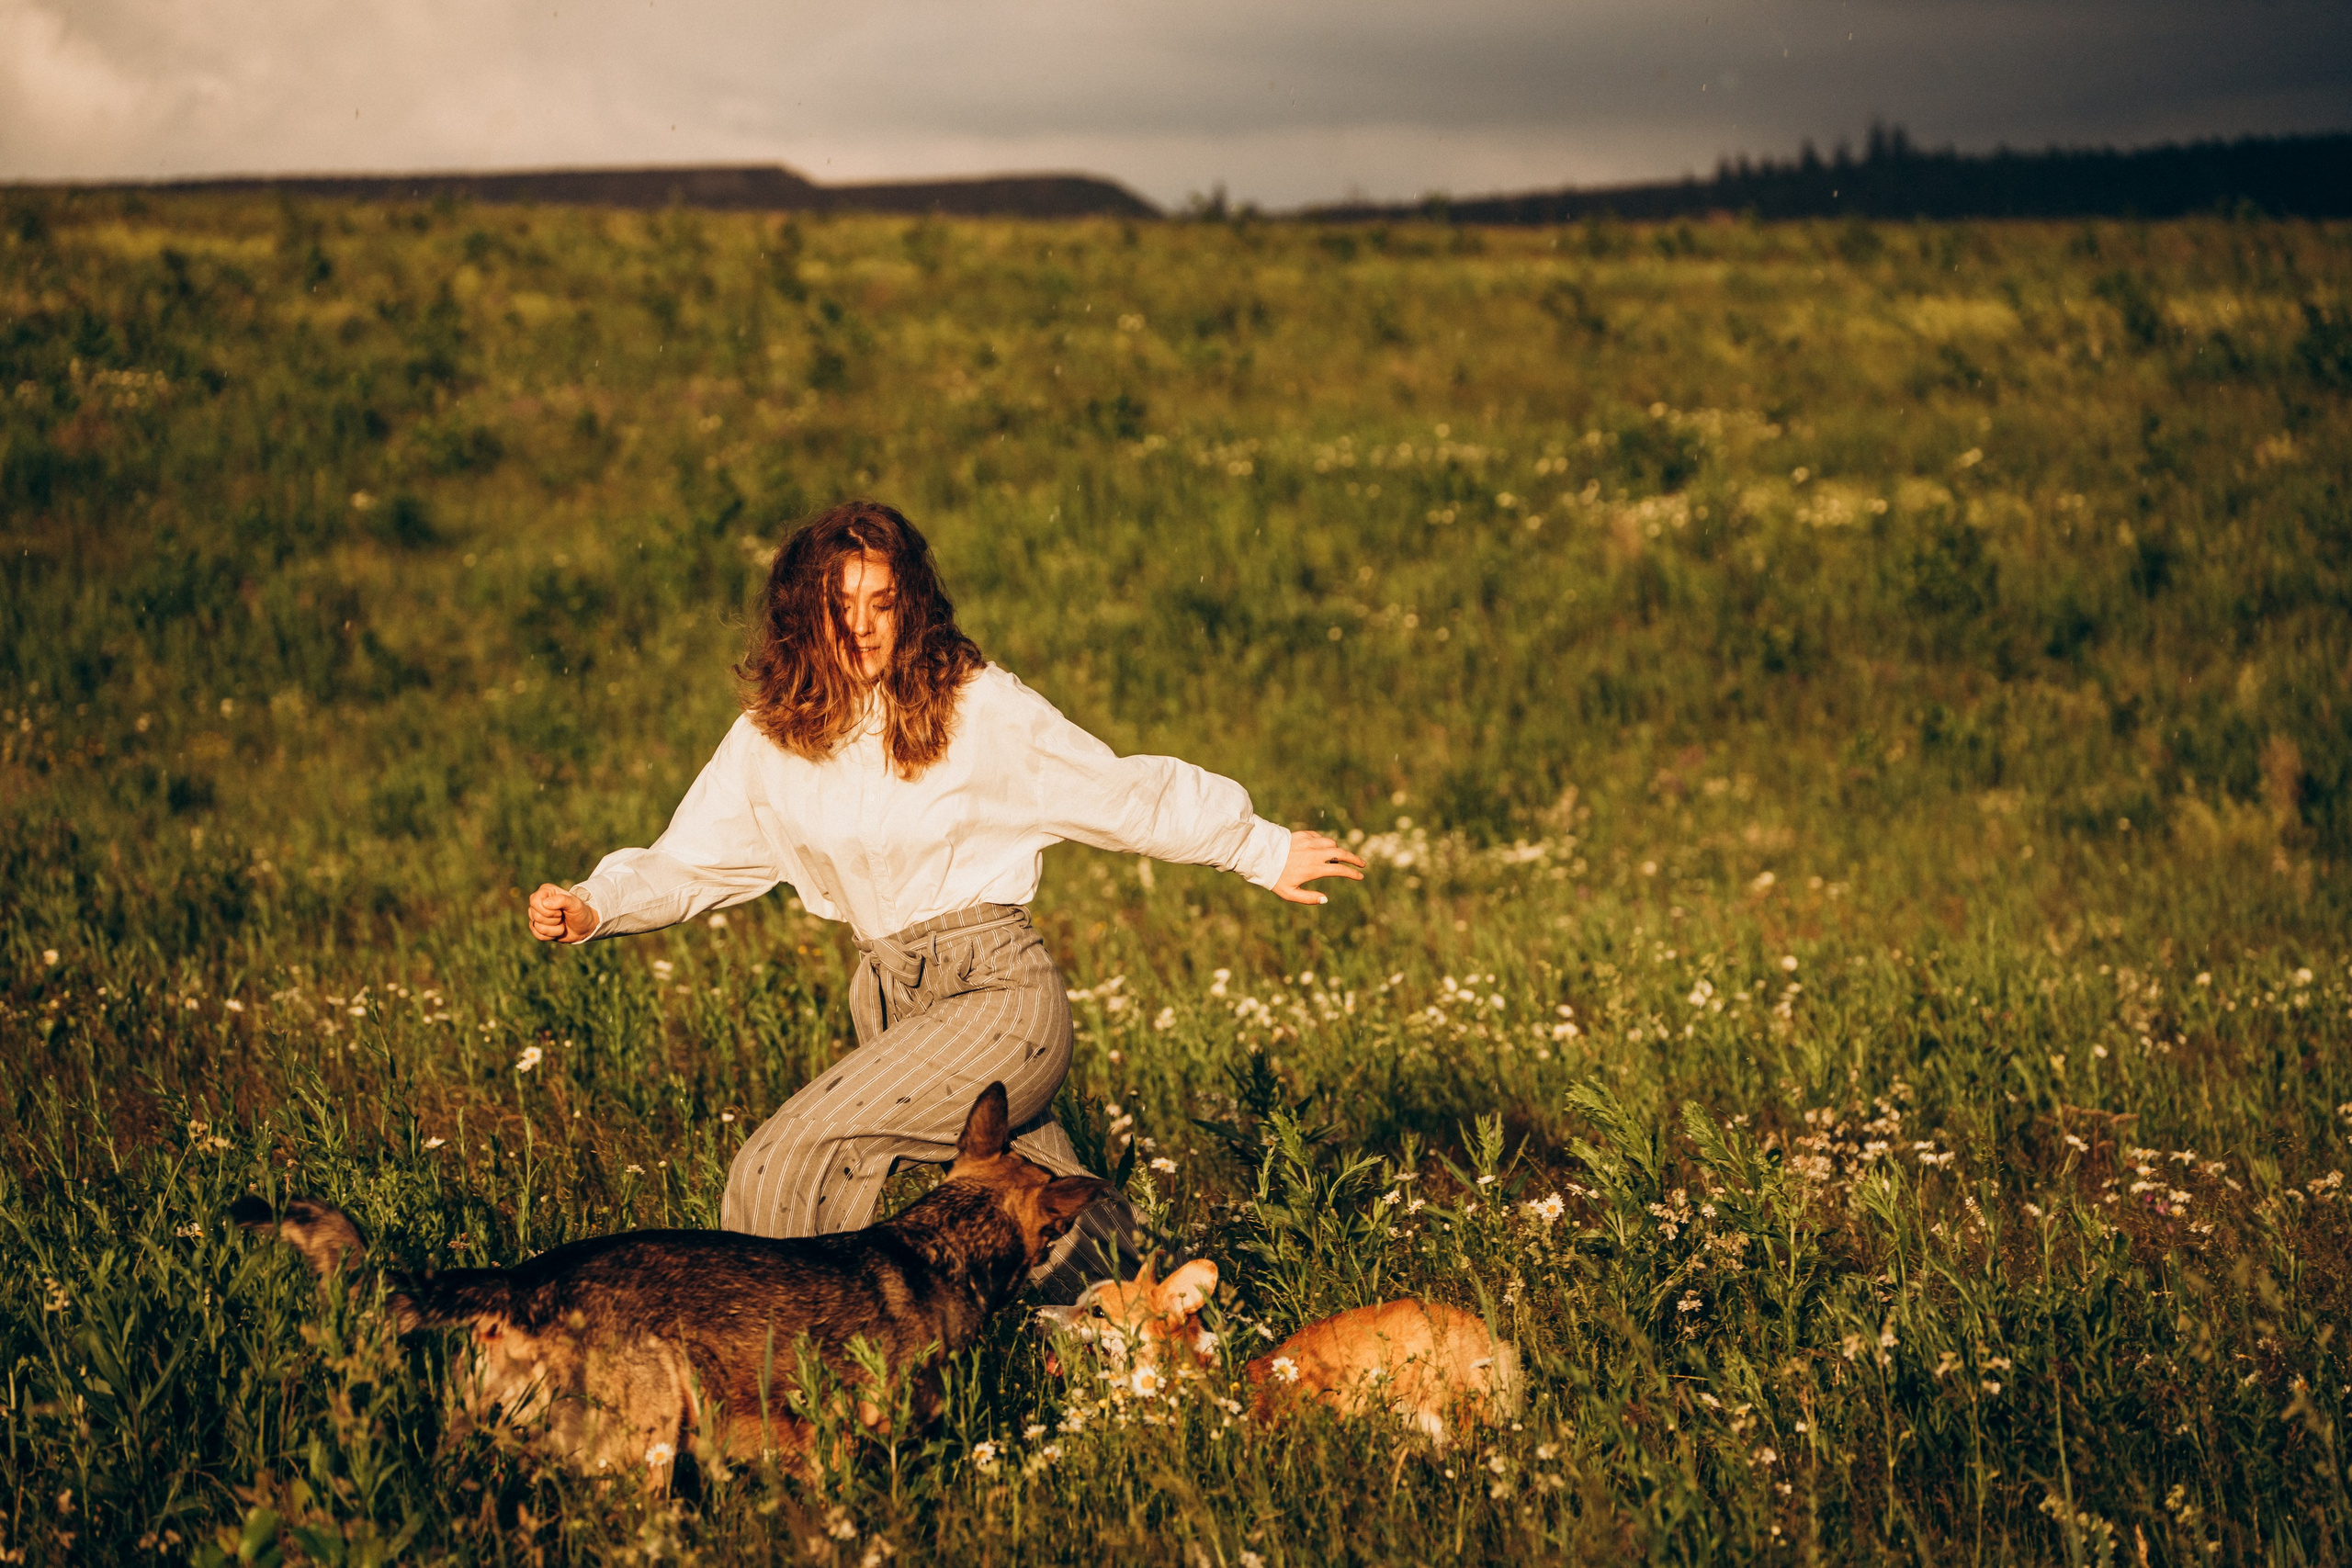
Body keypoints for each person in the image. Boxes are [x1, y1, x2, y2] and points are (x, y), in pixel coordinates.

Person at [526, 500, 1365, 1301]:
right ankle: (1156, 1327)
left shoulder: (976, 706)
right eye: (839, 605)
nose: (860, 625)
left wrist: (1259, 846)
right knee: (1031, 1193)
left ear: (911, 607)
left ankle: (781, 1378)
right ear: (802, 614)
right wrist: (599, 903)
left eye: (882, 603)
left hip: (1000, 997)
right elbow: (695, 859)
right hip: (895, 1000)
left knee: (785, 1161)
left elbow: (1117, 793)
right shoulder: (771, 738)